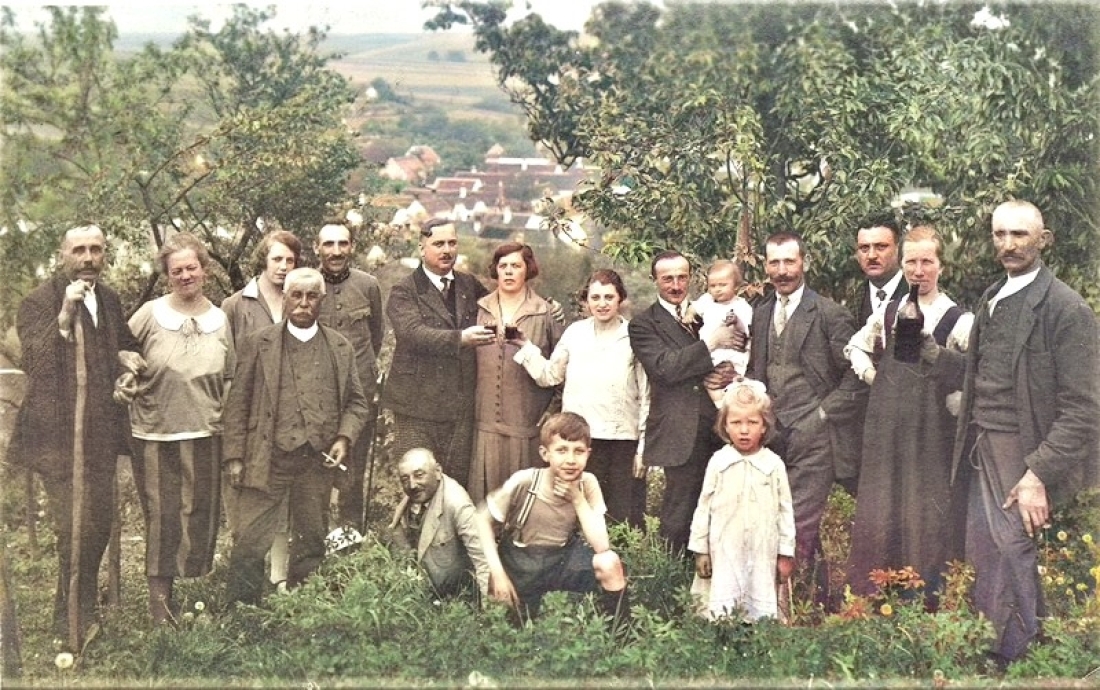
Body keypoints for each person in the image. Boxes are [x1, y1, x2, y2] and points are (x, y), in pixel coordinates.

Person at [937, 200, 1099, 667]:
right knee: (986, 548)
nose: (1008, 244)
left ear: (1043, 240)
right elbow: (984, 374)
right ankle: (1023, 644)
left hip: (1023, 449)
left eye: (1020, 235)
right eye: (1000, 235)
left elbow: (1084, 408)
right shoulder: (992, 296)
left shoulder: (1067, 309)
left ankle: (1008, 655)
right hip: (981, 443)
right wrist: (933, 359)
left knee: (1011, 546)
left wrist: (1037, 473)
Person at [8, 224, 144, 644]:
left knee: (99, 523)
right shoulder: (38, 302)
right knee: (73, 527)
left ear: (106, 255)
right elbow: (38, 362)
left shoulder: (109, 298)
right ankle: (72, 619)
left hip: (100, 432)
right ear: (62, 255)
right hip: (56, 437)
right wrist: (65, 315)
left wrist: (128, 368)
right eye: (79, 250)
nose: (88, 258)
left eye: (96, 250)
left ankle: (77, 611)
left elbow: (126, 344)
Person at [222, 268, 370, 605]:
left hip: (315, 461)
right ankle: (242, 612)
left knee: (311, 539)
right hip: (267, 458)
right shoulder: (259, 343)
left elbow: (357, 403)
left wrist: (343, 439)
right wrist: (234, 456)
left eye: (311, 296)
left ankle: (304, 609)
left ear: (321, 299)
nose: (303, 303)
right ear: (285, 298)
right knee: (250, 540)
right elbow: (237, 403)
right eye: (296, 296)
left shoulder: (339, 347)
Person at [842, 226, 973, 607]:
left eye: (926, 262)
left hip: (931, 435)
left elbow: (973, 371)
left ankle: (923, 598)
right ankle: (874, 593)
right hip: (887, 429)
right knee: (881, 506)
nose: (918, 270)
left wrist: (955, 395)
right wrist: (872, 375)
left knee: (923, 512)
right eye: (911, 262)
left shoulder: (958, 320)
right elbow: (855, 347)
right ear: (903, 265)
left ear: (941, 266)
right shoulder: (889, 312)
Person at [746, 232, 865, 604]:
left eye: (789, 262)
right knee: (775, 521)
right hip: (774, 435)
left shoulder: (830, 314)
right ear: (766, 266)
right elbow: (757, 370)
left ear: (805, 263)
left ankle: (783, 608)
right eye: (774, 263)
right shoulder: (763, 311)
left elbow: (856, 377)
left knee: (798, 523)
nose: (782, 271)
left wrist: (822, 413)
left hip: (816, 438)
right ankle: (819, 598)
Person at [125, 233, 234, 624]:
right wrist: (127, 370)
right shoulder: (150, 314)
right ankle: (160, 608)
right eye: (177, 271)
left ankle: (191, 594)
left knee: (199, 514)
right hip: (155, 433)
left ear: (204, 270)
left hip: (205, 432)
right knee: (162, 516)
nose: (185, 276)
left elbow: (231, 376)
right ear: (167, 276)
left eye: (192, 268)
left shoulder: (221, 319)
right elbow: (121, 353)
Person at [513, 269, 650, 527]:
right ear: (586, 301)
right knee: (579, 514)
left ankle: (619, 565)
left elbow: (646, 396)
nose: (602, 304)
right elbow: (550, 375)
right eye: (595, 297)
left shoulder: (634, 337)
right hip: (579, 441)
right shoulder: (576, 333)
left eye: (609, 297)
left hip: (622, 441)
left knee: (621, 516)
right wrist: (524, 346)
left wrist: (643, 448)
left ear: (620, 299)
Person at [628, 250, 744, 554]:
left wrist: (730, 370)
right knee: (680, 512)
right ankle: (675, 583)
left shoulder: (710, 311)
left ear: (691, 278)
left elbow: (740, 346)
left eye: (682, 277)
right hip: (679, 430)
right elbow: (665, 368)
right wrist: (711, 344)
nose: (676, 285)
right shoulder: (643, 324)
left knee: (724, 506)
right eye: (668, 278)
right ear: (655, 280)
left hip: (719, 426)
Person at [475, 412, 629, 628]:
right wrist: (498, 573)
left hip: (561, 558)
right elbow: (482, 520)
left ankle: (620, 636)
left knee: (609, 563)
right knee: (507, 627)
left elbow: (602, 546)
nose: (570, 460)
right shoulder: (526, 481)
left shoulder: (588, 483)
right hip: (521, 561)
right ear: (545, 454)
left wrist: (577, 498)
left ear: (588, 454)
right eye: (561, 450)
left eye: (579, 451)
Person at [220, 229, 303, 590]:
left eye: (290, 260)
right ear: (263, 261)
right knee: (249, 498)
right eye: (277, 259)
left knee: (285, 501)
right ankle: (246, 576)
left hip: (287, 415)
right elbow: (228, 364)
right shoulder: (237, 304)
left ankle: (280, 578)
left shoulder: (300, 299)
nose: (283, 267)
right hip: (250, 412)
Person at [383, 219, 492, 488]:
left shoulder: (469, 285)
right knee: (417, 483)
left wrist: (547, 307)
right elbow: (413, 334)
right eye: (438, 244)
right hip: (417, 408)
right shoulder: (404, 291)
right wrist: (460, 338)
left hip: (459, 407)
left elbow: (500, 307)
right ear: (422, 249)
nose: (447, 250)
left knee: (454, 485)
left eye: (452, 243)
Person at [689, 381, 795, 622]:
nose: (744, 430)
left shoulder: (773, 465)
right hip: (725, 548)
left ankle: (759, 642)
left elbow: (785, 511)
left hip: (762, 550)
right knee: (724, 601)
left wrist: (785, 554)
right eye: (736, 423)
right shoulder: (718, 462)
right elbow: (703, 507)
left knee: (759, 599)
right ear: (725, 425)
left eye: (752, 422)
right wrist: (701, 550)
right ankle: (723, 639)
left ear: (764, 426)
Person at [467, 242, 564, 503]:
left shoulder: (546, 312)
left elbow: (561, 367)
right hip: (483, 421)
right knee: (484, 498)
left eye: (516, 266)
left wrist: (552, 411)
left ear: (527, 270)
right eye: (503, 266)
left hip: (527, 422)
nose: (509, 272)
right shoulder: (478, 307)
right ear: (495, 271)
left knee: (522, 496)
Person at [314, 222, 385, 532]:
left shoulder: (368, 285)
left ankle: (349, 535)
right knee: (314, 469)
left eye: (343, 244)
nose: (336, 251)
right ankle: (314, 536)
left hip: (359, 394)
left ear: (352, 246)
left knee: (353, 470)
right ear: (317, 248)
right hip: (316, 395)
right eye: (328, 244)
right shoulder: (306, 284)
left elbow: (376, 335)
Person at [387, 448, 489, 599]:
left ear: (438, 471)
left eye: (419, 475)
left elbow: (483, 560)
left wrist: (491, 615)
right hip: (422, 594)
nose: (412, 484)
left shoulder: (457, 504)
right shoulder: (411, 496)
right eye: (405, 479)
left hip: (458, 600)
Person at [684, 259, 754, 407]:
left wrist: (736, 322)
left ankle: (732, 401)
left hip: (733, 352)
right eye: (713, 286)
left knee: (736, 379)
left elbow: (746, 329)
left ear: (735, 287)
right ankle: (719, 404)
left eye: (723, 285)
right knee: (711, 381)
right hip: (712, 350)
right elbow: (694, 308)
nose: (717, 289)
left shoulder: (741, 305)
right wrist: (690, 315)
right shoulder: (707, 300)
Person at [855, 214, 908, 326]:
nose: (871, 256)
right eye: (864, 248)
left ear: (898, 249)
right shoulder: (852, 302)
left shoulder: (924, 295)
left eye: (881, 247)